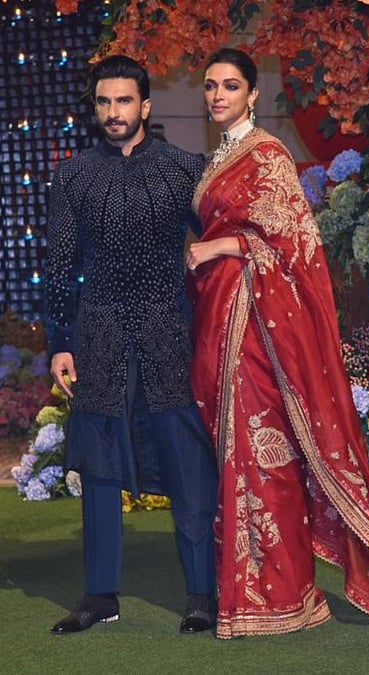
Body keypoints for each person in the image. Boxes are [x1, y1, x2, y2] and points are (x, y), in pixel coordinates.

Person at [186, 48, 369, 639]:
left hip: (258, 324)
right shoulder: (218, 159)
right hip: (218, 317)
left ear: (253, 95)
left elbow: (294, 244)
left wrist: (221, 246)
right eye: (211, 86)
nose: (218, 95)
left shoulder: (269, 154)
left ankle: (283, 594)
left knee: (262, 448)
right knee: (234, 452)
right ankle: (248, 590)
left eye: (231, 86)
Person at [43, 55, 220, 635]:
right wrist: (60, 342)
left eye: (123, 100)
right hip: (98, 335)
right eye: (104, 101)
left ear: (145, 105)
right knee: (98, 468)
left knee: (188, 464)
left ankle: (201, 593)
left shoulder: (185, 168)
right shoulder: (73, 175)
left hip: (170, 334)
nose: (113, 111)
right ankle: (100, 595)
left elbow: (219, 251)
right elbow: (60, 265)